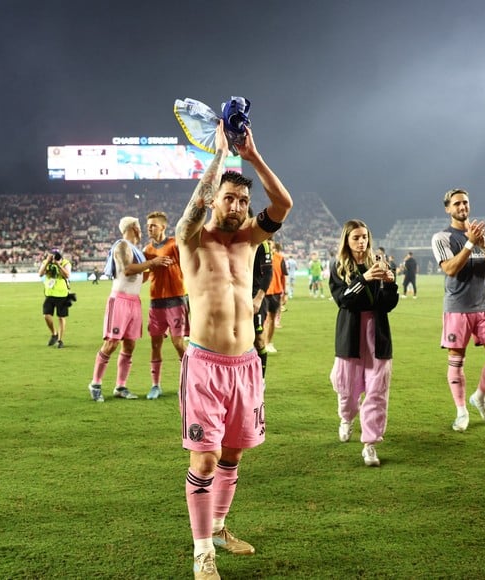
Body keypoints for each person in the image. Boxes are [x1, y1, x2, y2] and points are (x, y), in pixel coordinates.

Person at [176, 120, 292, 579]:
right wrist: (221, 155)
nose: (239, 206)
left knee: (233, 455)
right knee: (204, 458)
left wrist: (254, 155)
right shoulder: (192, 239)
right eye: (230, 198)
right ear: (214, 200)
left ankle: (220, 528)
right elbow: (191, 212)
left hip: (246, 364)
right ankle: (202, 551)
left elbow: (283, 204)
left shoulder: (249, 239)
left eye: (243, 200)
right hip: (205, 363)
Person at [431, 189, 485, 432]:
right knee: (456, 360)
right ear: (448, 209)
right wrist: (470, 243)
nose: (462, 206)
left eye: (465, 202)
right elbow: (450, 269)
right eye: (457, 203)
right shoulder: (441, 238)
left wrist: (484, 246)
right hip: (457, 308)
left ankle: (480, 397)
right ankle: (461, 411)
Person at [329, 219, 399, 467]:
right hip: (350, 335)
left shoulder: (378, 264)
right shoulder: (338, 267)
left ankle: (370, 444)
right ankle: (347, 418)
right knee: (347, 390)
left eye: (365, 237)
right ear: (347, 241)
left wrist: (390, 284)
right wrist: (365, 277)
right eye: (356, 237)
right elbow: (344, 300)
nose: (362, 241)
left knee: (376, 391)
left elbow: (387, 305)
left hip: (377, 336)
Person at [88, 217, 172, 402]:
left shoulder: (137, 251)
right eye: (140, 227)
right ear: (133, 227)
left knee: (129, 344)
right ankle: (95, 383)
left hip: (134, 301)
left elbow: (139, 278)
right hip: (120, 301)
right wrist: (153, 263)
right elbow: (127, 270)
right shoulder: (122, 246)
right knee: (112, 343)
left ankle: (120, 386)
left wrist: (157, 270)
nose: (142, 230)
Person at [142, 210, 189, 400]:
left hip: (176, 300)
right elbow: (145, 276)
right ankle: (155, 385)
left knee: (178, 343)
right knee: (155, 344)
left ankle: (188, 383)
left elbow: (188, 264)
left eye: (153, 225)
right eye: (148, 226)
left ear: (163, 226)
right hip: (156, 302)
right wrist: (151, 264)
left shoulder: (175, 245)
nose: (150, 228)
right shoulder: (147, 250)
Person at [38, 248, 72, 348]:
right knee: (46, 315)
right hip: (49, 293)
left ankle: (60, 340)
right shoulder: (46, 262)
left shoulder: (66, 263)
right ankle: (54, 334)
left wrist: (58, 264)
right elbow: (40, 274)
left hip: (62, 294)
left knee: (61, 317)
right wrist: (47, 262)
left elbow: (67, 275)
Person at [252, 239, 274, 379]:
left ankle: (261, 379)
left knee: (258, 339)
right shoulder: (229, 239)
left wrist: (258, 298)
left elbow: (268, 273)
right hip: (233, 297)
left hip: (254, 297)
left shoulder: (261, 243)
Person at [263, 241, 286, 352]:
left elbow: (283, 277)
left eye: (272, 247)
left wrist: (284, 293)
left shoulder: (280, 258)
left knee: (271, 318)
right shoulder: (259, 256)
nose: (271, 248)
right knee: (262, 320)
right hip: (261, 293)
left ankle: (268, 343)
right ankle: (260, 342)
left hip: (275, 292)